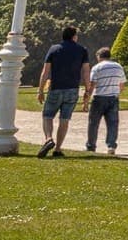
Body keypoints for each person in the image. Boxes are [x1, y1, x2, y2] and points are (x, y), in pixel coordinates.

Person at [36, 25, 91, 158]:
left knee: (47, 116)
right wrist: (88, 89)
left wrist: (41, 90)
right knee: (64, 119)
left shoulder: (54, 49)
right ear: (74, 36)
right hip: (72, 89)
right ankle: (58, 149)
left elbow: (45, 71)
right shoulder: (82, 50)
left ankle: (48, 139)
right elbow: (86, 71)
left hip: (56, 87)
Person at [85, 47, 126, 155]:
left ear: (99, 56)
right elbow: (122, 85)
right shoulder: (118, 67)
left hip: (99, 97)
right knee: (113, 123)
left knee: (93, 123)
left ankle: (91, 146)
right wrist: (116, 92)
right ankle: (111, 146)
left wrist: (86, 100)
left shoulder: (97, 67)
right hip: (113, 97)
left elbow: (92, 85)